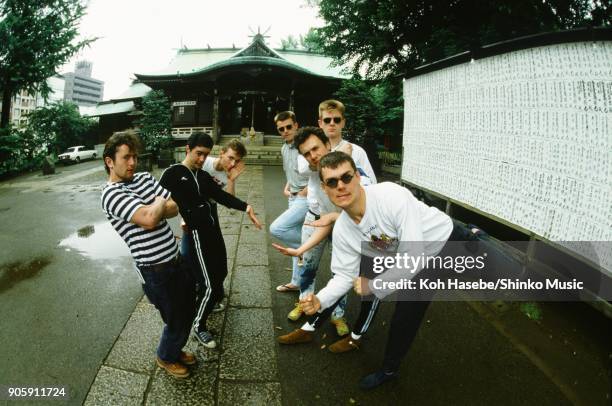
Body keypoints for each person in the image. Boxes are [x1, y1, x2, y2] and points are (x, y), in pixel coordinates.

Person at [299, 152, 486, 390]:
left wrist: (375, 285)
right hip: (419, 266)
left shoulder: (390, 196)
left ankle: (475, 234)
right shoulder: (344, 230)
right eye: (332, 182)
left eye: (346, 177)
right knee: (405, 317)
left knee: (501, 277)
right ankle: (389, 370)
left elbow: (412, 255)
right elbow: (345, 276)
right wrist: (320, 300)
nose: (341, 186)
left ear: (357, 177)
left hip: (447, 241)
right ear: (325, 189)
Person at [101, 131, 197, 379]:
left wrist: (156, 207)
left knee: (187, 308)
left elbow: (174, 208)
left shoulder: (143, 177)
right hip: (155, 270)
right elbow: (149, 219)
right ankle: (166, 356)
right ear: (110, 161)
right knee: (175, 318)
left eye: (135, 156)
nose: (133, 162)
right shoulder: (110, 194)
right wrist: (157, 203)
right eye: (126, 158)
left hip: (175, 259)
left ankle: (174, 348)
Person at [160, 132, 262, 349]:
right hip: (195, 233)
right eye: (198, 154)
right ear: (188, 149)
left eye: (205, 155)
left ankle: (204, 301)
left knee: (221, 272)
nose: (201, 159)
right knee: (208, 284)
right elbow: (156, 200)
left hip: (212, 229)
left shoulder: (202, 176)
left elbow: (222, 196)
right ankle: (198, 325)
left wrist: (247, 207)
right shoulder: (174, 173)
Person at [274, 127, 374, 338]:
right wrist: (300, 248)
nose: (313, 156)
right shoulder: (311, 168)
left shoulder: (346, 165)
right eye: (307, 153)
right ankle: (306, 303)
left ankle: (338, 315)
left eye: (315, 149)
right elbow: (303, 168)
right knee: (307, 266)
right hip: (317, 218)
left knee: (342, 272)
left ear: (328, 144)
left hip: (344, 223)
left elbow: (367, 187)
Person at [180, 137, 247, 314]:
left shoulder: (228, 172)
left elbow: (230, 203)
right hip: (192, 211)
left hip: (211, 210)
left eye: (237, 161)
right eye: (230, 158)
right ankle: (194, 289)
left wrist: (232, 179)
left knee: (215, 253)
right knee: (187, 252)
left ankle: (214, 289)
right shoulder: (205, 162)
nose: (232, 163)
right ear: (222, 153)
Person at [268, 111, 309, 297]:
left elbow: (318, 171)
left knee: (277, 228)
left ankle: (309, 246)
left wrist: (306, 190)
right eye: (281, 129)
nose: (285, 131)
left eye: (288, 127)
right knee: (294, 238)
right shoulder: (284, 148)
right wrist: (288, 187)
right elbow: (290, 171)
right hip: (292, 197)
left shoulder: (305, 146)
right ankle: (296, 282)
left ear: (296, 125)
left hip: (306, 198)